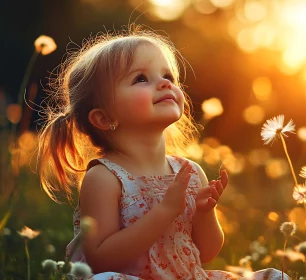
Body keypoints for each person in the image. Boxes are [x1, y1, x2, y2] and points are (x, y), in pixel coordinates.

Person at [37, 26, 289, 280]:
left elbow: (207, 253)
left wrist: (203, 213)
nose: (165, 83)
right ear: (104, 117)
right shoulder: (105, 178)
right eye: (141, 79)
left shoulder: (189, 172)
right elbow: (101, 259)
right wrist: (164, 212)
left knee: (276, 277)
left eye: (168, 75)